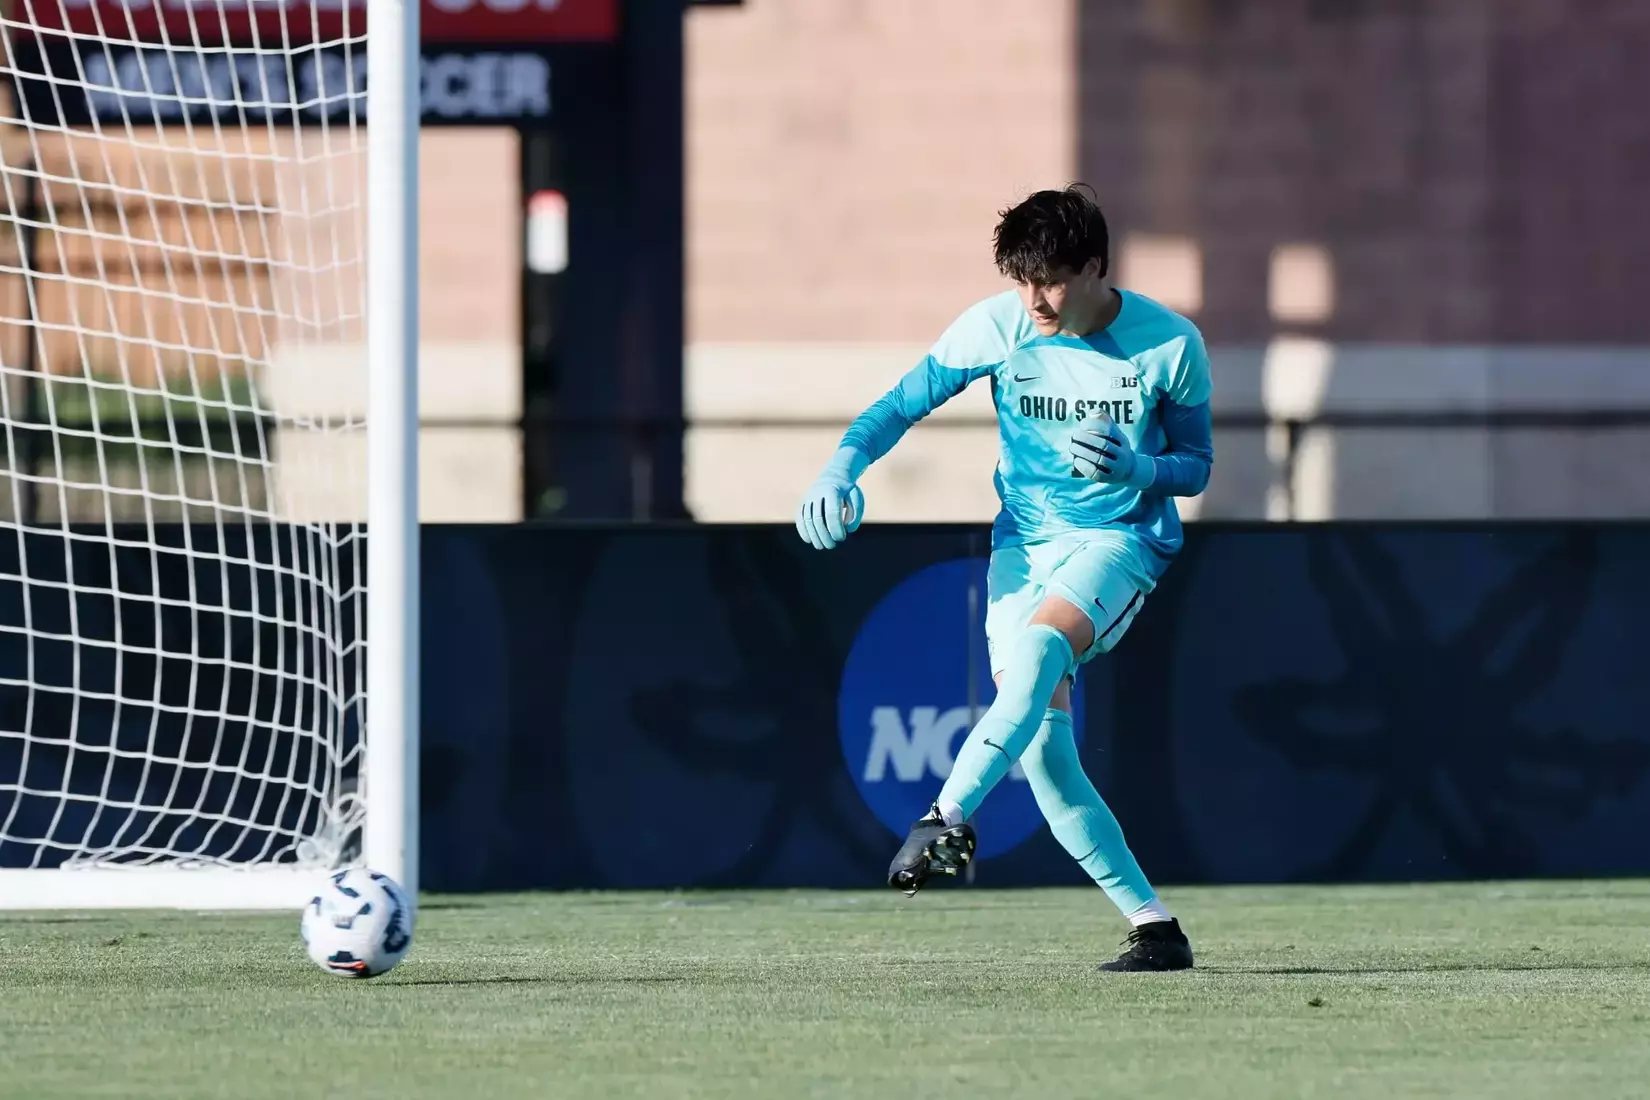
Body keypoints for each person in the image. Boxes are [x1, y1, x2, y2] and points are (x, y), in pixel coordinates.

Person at [794, 185, 1213, 972]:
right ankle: (1155, 929)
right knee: (1047, 761)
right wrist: (839, 469)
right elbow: (897, 406)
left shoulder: (1170, 345)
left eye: (1050, 279)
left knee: (1039, 650)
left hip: (1118, 540)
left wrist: (1140, 467)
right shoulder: (1001, 323)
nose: (1034, 300)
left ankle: (945, 813)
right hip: (1023, 547)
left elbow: (1196, 467)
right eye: (1021, 280)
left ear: (1094, 267)